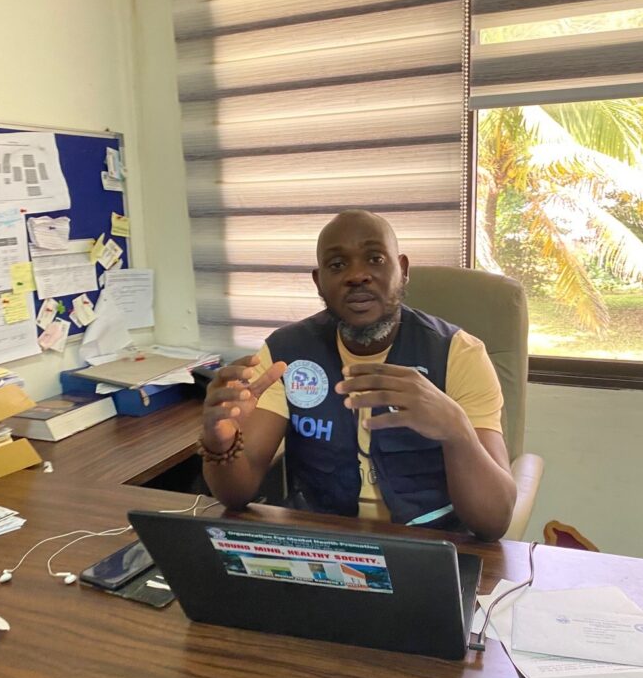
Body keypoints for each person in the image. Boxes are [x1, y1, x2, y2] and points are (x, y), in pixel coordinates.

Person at [198, 210, 516, 540]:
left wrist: (457, 431)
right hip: (322, 543)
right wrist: (220, 443)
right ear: (318, 281)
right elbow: (236, 494)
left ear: (403, 270)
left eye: (375, 259)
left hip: (430, 545)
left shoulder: (458, 354)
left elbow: (493, 521)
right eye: (337, 265)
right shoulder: (284, 354)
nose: (357, 275)